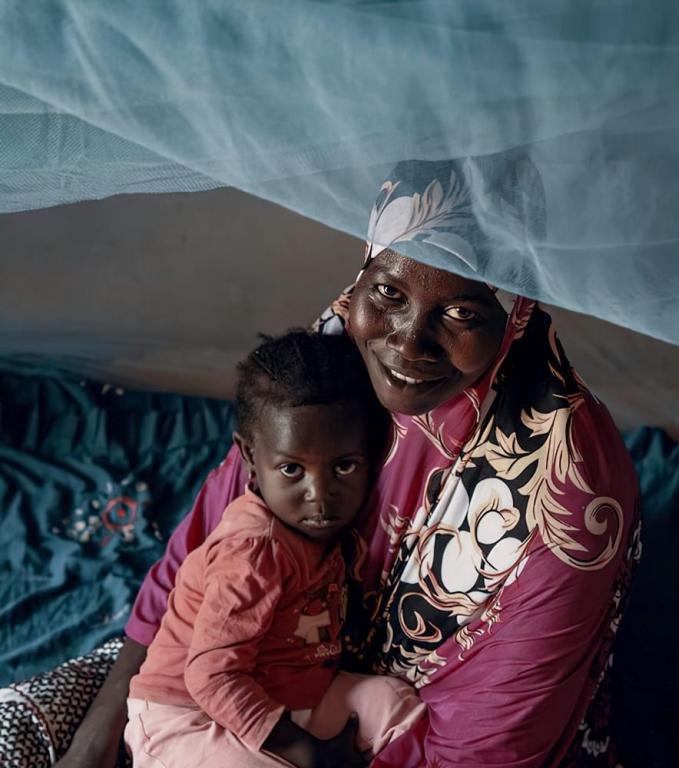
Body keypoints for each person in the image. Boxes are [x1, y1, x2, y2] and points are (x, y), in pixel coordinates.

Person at [58, 153, 641, 768]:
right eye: (387, 292)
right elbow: (212, 542)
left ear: (515, 310)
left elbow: (491, 742)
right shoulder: (340, 343)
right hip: (265, 676)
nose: (407, 343)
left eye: (463, 312)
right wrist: (97, 733)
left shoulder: (570, 494)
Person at [123, 331, 424, 767]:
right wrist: (307, 752)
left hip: (283, 698)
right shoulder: (253, 552)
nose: (320, 494)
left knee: (394, 704)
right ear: (249, 456)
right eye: (291, 469)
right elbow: (211, 676)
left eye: (344, 466)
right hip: (187, 715)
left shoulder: (328, 534)